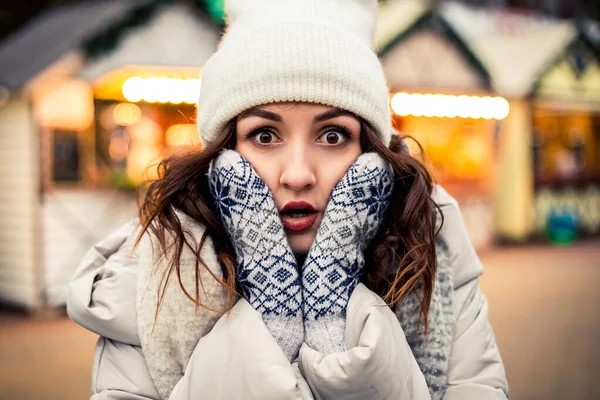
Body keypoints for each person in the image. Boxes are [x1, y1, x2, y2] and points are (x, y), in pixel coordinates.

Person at [67, 0, 509, 399]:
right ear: (223, 154)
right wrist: (270, 330)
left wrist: (335, 324)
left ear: (371, 153)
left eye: (333, 135)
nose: (298, 174)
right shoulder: (151, 276)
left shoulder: (434, 251)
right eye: (264, 135)